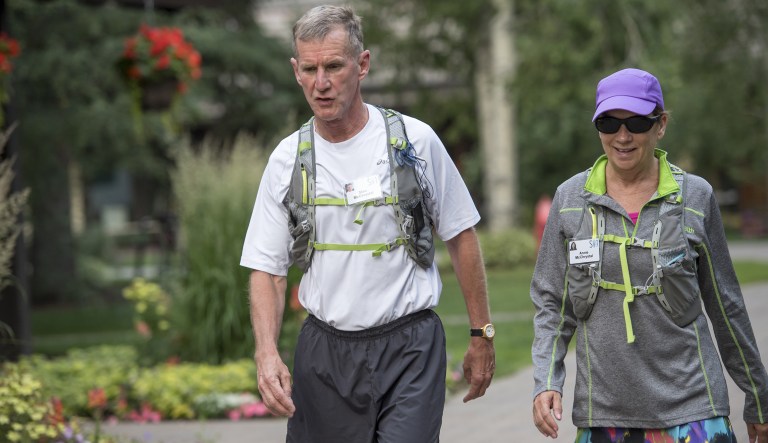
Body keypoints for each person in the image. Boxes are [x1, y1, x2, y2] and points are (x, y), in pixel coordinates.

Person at [240, 5, 495, 442]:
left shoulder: (415, 141)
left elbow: (460, 235)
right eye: (309, 68)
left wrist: (481, 332)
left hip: (410, 346)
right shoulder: (287, 159)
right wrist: (266, 353)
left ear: (362, 65)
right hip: (325, 355)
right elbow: (267, 269)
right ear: (295, 71)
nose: (321, 83)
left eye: (334, 66)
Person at [530, 68, 768, 443]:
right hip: (604, 415)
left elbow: (726, 306)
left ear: (661, 125)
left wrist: (757, 394)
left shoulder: (696, 196)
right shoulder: (570, 201)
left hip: (694, 411)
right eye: (609, 123)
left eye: (638, 122)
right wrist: (546, 380)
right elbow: (552, 305)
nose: (622, 136)